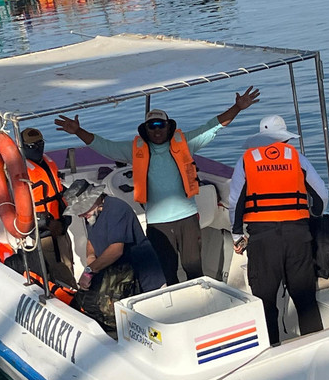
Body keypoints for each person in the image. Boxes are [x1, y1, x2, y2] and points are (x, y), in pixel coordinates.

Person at [55, 87, 260, 286]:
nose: (156, 129)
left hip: (187, 218)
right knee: (167, 274)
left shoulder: (185, 142)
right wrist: (78, 131)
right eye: (151, 125)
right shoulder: (133, 150)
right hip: (158, 225)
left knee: (194, 270)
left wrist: (238, 107)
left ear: (168, 126)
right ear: (145, 129)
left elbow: (213, 126)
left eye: (160, 125)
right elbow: (104, 145)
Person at [228, 115, 328, 347]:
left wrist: (236, 234)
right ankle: (318, 347)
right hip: (297, 236)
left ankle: (272, 349)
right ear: (285, 136)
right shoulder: (297, 158)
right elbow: (320, 193)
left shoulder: (247, 160)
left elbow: (236, 201)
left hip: (263, 239)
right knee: (305, 299)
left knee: (265, 301)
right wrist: (315, 216)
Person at [63, 179, 165, 329]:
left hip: (143, 278)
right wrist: (91, 259)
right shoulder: (91, 214)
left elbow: (116, 250)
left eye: (82, 210)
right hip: (116, 279)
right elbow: (91, 241)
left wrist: (89, 271)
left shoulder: (117, 209)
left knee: (150, 324)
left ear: (95, 198)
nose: (80, 215)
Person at [21, 127, 73, 284]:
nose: (37, 148)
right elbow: (22, 207)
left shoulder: (48, 162)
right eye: (31, 146)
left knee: (68, 264)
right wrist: (47, 223)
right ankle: (65, 298)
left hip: (61, 223)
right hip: (43, 231)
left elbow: (57, 189)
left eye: (40, 143)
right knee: (57, 269)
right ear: (22, 147)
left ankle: (73, 292)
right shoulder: (21, 172)